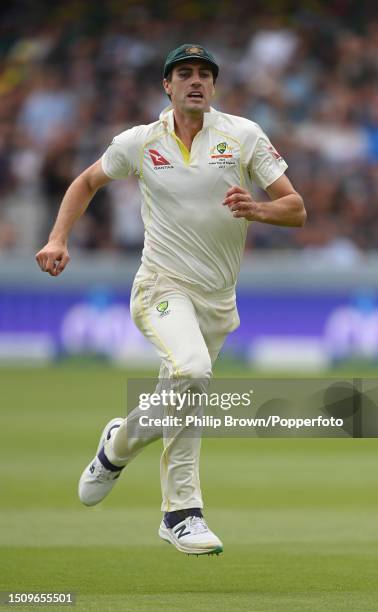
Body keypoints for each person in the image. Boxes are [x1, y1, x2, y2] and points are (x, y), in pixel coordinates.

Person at [36, 44, 306, 556]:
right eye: (185, 73)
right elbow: (87, 181)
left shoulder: (243, 135)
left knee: (186, 395)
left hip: (218, 299)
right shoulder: (140, 142)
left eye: (205, 74)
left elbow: (296, 209)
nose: (196, 81)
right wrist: (57, 239)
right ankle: (184, 513)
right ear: (168, 84)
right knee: (191, 371)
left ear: (214, 85)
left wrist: (258, 209)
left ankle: (117, 447)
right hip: (162, 286)